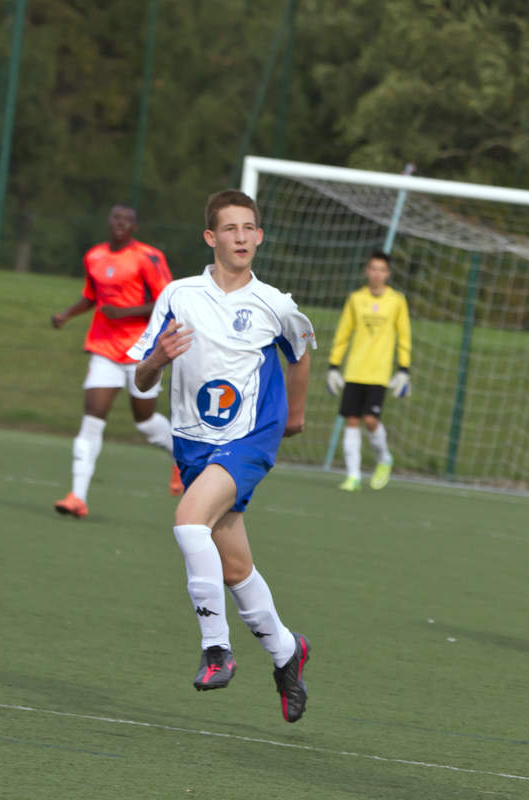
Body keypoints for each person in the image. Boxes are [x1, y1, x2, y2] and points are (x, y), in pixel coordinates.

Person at [130, 189, 315, 723]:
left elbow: (300, 354)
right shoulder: (178, 295)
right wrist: (157, 360)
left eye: (249, 228)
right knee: (234, 567)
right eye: (229, 229)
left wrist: (295, 415)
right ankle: (286, 652)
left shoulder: (274, 304)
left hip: (252, 436)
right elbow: (140, 379)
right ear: (211, 237)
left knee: (189, 521)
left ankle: (216, 648)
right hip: (195, 442)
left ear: (259, 236)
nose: (240, 237)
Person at [50, 204, 179, 518]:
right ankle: (77, 497)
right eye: (115, 218)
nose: (120, 224)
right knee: (92, 418)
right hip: (104, 347)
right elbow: (91, 296)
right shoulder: (94, 256)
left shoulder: (148, 257)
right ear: (109, 222)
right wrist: (66, 315)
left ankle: (181, 456)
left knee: (145, 422)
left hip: (143, 350)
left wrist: (123, 313)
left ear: (135, 226)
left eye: (127, 220)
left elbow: (168, 302)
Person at [325, 250, 412, 491]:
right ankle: (353, 476)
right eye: (373, 268)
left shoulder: (397, 301)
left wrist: (404, 369)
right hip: (354, 371)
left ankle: (384, 458)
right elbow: (343, 333)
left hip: (379, 373)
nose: (376, 274)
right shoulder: (355, 299)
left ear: (388, 273)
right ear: (367, 271)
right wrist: (334, 365)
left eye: (381, 269)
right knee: (351, 420)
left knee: (371, 420)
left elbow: (404, 336)